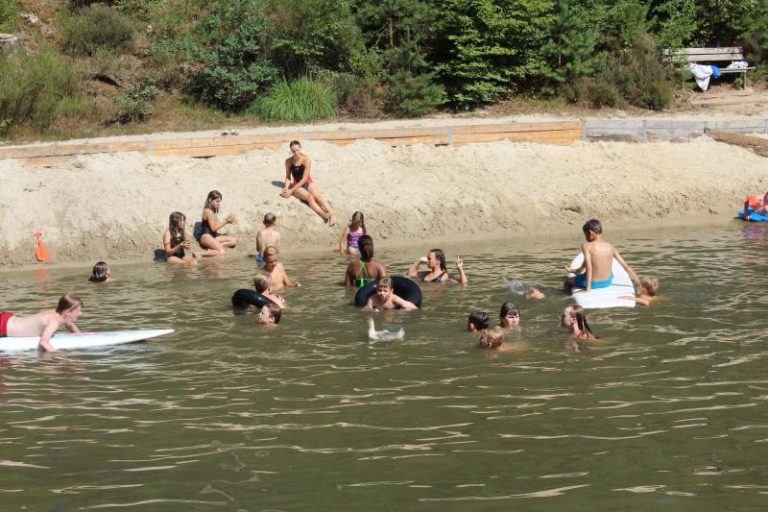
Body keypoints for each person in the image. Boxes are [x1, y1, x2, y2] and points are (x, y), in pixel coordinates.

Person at [564, 219, 638, 295]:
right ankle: (575, 272)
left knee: (567, 282)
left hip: (591, 283)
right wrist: (639, 284)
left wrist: (587, 288)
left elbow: (589, 268)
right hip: (607, 282)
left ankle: (567, 296)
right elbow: (626, 267)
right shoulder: (610, 246)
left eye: (585, 234)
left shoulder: (587, 246)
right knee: (610, 273)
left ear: (590, 232)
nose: (586, 238)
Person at [1, 294, 83, 352]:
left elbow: (70, 325)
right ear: (67, 312)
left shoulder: (58, 313)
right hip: (4, 327)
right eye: (78, 311)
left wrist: (80, 336)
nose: (80, 313)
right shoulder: (54, 321)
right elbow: (43, 342)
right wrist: (57, 354)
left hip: (8, 320)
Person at [281, 141, 336, 226]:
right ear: (291, 151)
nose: (296, 153)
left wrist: (291, 191)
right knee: (310, 197)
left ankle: (332, 215)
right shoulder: (288, 161)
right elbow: (288, 177)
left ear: (300, 149)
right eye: (293, 151)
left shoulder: (306, 160)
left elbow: (304, 179)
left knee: (318, 197)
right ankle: (323, 215)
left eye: (297, 150)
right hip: (297, 185)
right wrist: (286, 188)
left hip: (307, 182)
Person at [200, 190, 237, 254]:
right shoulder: (208, 211)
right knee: (221, 251)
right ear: (210, 200)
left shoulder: (213, 211)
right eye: (217, 201)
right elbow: (213, 228)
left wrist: (227, 221)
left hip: (212, 237)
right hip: (206, 237)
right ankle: (200, 254)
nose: (218, 203)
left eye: (219, 202)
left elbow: (215, 224)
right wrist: (225, 222)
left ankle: (211, 248)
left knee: (233, 241)